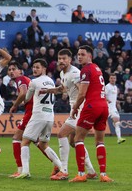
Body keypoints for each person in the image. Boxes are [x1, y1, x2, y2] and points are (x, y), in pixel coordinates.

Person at [40, 49, 97, 180]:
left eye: (64, 58)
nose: (61, 61)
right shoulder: (63, 73)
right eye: (59, 59)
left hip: (81, 109)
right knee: (73, 142)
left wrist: (80, 107)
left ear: (70, 60)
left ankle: (64, 170)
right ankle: (91, 171)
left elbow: (83, 91)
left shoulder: (75, 73)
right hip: (76, 108)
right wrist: (48, 90)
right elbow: (63, 89)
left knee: (61, 134)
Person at [15, 59, 66, 179]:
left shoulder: (34, 82)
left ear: (44, 69)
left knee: (25, 141)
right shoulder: (51, 81)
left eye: (37, 67)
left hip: (38, 115)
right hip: (49, 116)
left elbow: (26, 99)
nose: (34, 69)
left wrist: (19, 102)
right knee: (43, 144)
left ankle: (25, 171)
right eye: (33, 67)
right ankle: (62, 169)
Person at [69, 45, 113, 182]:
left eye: (82, 54)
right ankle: (103, 174)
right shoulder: (97, 68)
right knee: (100, 141)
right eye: (78, 54)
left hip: (92, 106)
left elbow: (82, 93)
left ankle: (81, 174)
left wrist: (75, 107)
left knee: (78, 139)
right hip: (103, 106)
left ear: (90, 55)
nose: (79, 56)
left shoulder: (86, 69)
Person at [105, 74, 126, 144]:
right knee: (99, 122)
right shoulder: (107, 87)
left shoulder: (115, 87)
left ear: (116, 79)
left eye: (114, 78)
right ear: (109, 79)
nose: (113, 79)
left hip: (113, 107)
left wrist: (115, 101)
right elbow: (103, 95)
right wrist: (107, 100)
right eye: (111, 78)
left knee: (117, 122)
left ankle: (119, 138)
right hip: (106, 107)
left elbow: (113, 97)